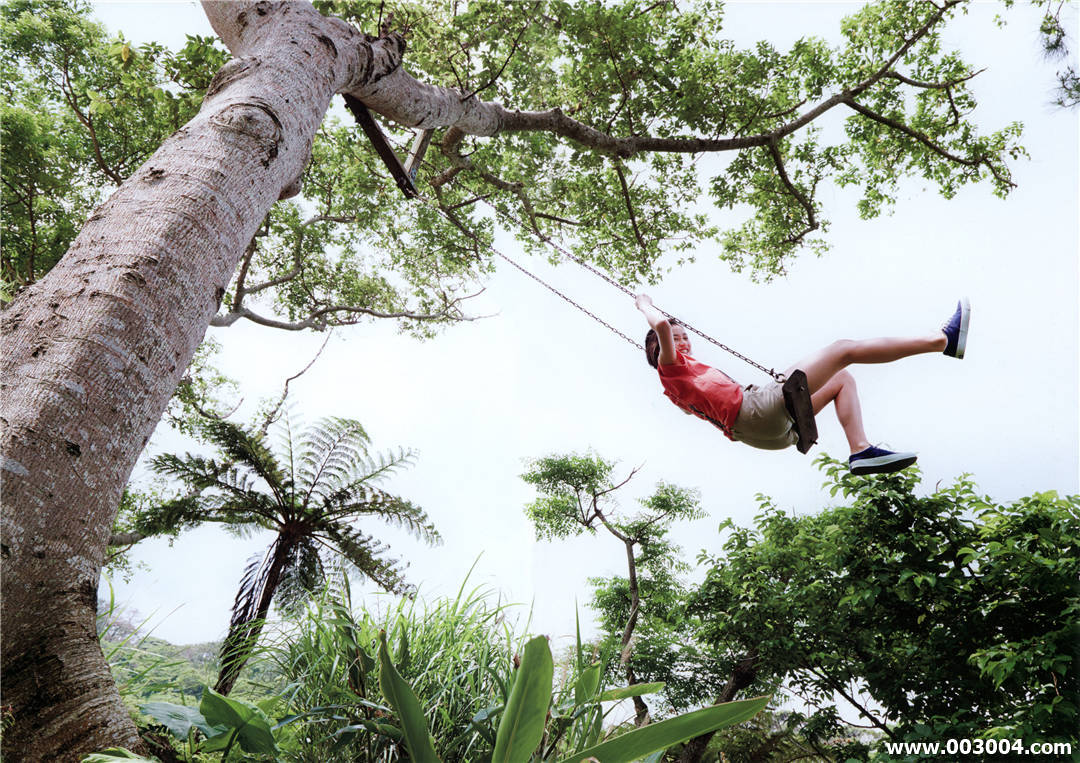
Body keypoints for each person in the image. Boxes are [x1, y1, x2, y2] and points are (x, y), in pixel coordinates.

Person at [635, 294, 970, 474]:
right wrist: (645, 305)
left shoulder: (681, 381)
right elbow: (662, 325)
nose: (683, 343)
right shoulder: (670, 368)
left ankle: (861, 451)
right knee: (844, 350)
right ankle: (942, 340)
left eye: (686, 338)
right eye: (676, 340)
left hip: (765, 436)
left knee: (841, 379)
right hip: (753, 413)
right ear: (656, 349)